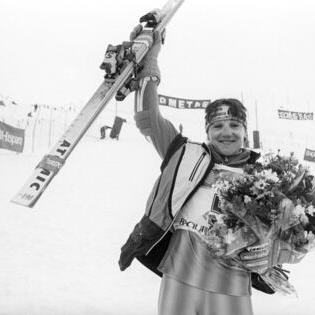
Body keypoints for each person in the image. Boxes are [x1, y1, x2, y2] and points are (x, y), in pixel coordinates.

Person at [119, 28, 280, 315]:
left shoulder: (263, 176)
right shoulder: (184, 153)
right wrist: (149, 61)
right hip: (180, 276)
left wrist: (272, 253)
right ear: (207, 131)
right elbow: (148, 118)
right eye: (217, 126)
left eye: (234, 126)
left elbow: (291, 235)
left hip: (232, 284)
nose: (226, 132)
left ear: (245, 131)